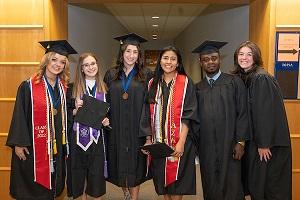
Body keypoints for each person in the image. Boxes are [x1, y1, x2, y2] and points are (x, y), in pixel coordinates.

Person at [6, 40, 77, 199]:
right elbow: (19, 115)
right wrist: (19, 143)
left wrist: (75, 111)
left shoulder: (64, 89)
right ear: (46, 60)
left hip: (56, 146)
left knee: (53, 184)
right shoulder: (28, 87)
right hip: (33, 146)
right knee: (33, 188)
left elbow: (65, 115)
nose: (58, 64)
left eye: (62, 62)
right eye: (54, 59)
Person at [232, 40, 292, 200]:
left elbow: (265, 113)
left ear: (256, 57)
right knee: (257, 185)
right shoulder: (246, 77)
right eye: (241, 54)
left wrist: (264, 143)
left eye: (249, 54)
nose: (244, 58)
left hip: (267, 145)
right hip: (257, 142)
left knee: (267, 188)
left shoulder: (261, 79)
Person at [192, 40, 249, 200]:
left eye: (214, 58)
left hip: (230, 144)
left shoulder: (233, 82)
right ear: (200, 62)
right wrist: (196, 146)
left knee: (232, 183)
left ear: (219, 59)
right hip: (206, 146)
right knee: (210, 183)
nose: (211, 62)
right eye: (206, 59)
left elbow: (243, 112)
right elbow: (193, 119)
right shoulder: (197, 88)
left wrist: (241, 142)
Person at [140, 46, 198, 200]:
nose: (169, 62)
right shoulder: (152, 83)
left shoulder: (186, 83)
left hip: (180, 141)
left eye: (173, 59)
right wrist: (148, 140)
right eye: (165, 58)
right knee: (162, 183)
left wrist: (181, 142)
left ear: (178, 63)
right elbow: (146, 113)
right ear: (160, 61)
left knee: (177, 184)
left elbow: (188, 114)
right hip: (159, 143)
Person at [104, 33, 152, 200]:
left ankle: (134, 197)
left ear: (139, 55)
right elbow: (104, 100)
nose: (131, 55)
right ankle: (125, 190)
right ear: (122, 53)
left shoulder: (147, 74)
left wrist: (147, 134)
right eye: (128, 51)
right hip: (116, 127)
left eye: (135, 52)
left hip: (137, 127)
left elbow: (149, 104)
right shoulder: (111, 74)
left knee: (136, 164)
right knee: (118, 161)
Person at [67, 52, 110, 200]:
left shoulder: (105, 88)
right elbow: (63, 113)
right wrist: (74, 110)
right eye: (86, 65)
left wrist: (107, 120)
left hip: (97, 139)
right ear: (81, 68)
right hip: (77, 138)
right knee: (79, 176)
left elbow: (109, 112)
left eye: (93, 63)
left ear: (97, 65)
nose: (90, 67)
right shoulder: (71, 88)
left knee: (96, 176)